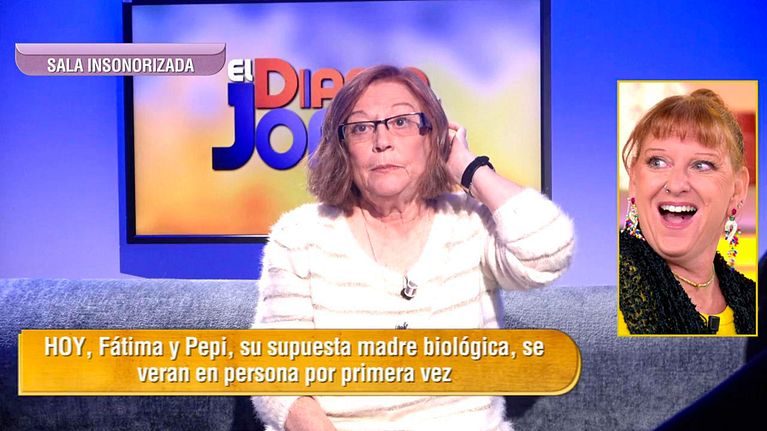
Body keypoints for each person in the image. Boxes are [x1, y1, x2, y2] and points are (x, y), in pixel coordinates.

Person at [251, 65, 574, 430]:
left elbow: (549, 253)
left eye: (401, 122)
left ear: (433, 138)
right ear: (343, 149)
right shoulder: (300, 236)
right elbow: (275, 374)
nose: (382, 140)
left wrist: (468, 167)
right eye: (361, 128)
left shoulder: (469, 222)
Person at [618, 88, 756, 335]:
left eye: (702, 165)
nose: (676, 184)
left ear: (737, 189)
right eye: (657, 162)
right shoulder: (604, 290)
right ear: (634, 180)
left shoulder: (753, 301)